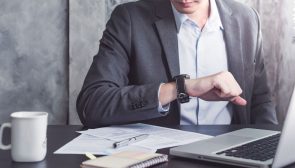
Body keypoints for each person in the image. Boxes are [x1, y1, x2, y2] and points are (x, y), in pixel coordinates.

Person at [77, 0, 278, 128]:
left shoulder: (247, 19)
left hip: (232, 154)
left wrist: (271, 146)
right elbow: (92, 105)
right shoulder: (129, 19)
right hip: (162, 155)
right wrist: (181, 88)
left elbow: (260, 100)